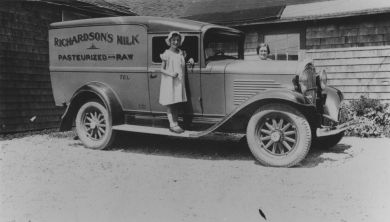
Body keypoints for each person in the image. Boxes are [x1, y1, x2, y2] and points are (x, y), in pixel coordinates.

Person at [160, 31, 187, 133]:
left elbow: (181, 64)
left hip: (178, 82)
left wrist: (190, 60)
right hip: (169, 81)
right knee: (170, 104)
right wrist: (171, 74)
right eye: (173, 40)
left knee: (176, 103)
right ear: (170, 41)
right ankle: (172, 124)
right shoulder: (167, 53)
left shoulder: (180, 53)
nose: (175, 42)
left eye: (177, 40)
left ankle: (176, 123)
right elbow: (161, 69)